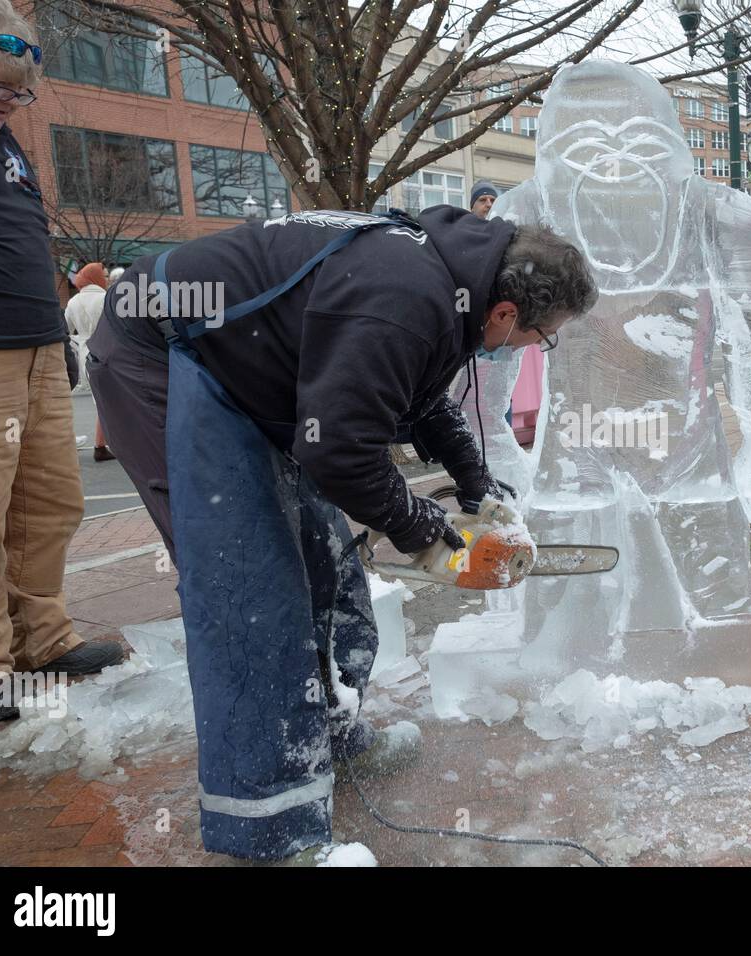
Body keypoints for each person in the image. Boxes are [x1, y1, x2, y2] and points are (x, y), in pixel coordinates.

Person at [88, 206, 596, 862]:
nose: (538, 347)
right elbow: (341, 454)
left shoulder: (443, 281)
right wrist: (429, 537)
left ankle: (331, 726)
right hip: (163, 351)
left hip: (241, 370)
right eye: (543, 335)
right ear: (505, 312)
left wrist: (479, 489)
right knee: (247, 585)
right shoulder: (406, 292)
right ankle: (268, 826)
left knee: (326, 559)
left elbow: (417, 397)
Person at [0, 0, 124, 723]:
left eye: (18, 91)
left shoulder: (6, 150)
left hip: (34, 349)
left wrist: (55, 343)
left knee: (50, 504)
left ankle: (43, 640)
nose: (6, 100)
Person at [64, 262, 115, 460]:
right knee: (109, 401)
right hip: (106, 350)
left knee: (102, 400)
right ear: (97, 277)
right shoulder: (105, 298)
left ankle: (101, 445)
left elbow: (66, 330)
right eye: (105, 275)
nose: (107, 278)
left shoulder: (73, 302)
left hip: (86, 350)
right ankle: (102, 445)